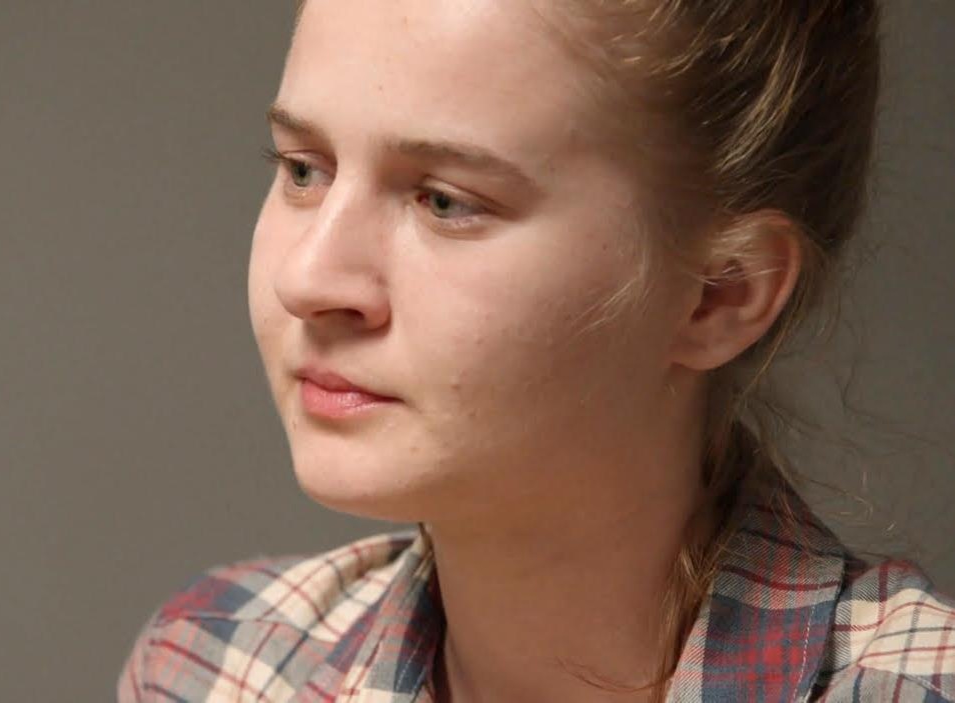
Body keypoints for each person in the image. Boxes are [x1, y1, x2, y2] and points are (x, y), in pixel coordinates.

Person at [119, 1, 955, 700]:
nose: (310, 277)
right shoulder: (218, 669)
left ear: (720, 292)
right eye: (304, 170)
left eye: (445, 200)